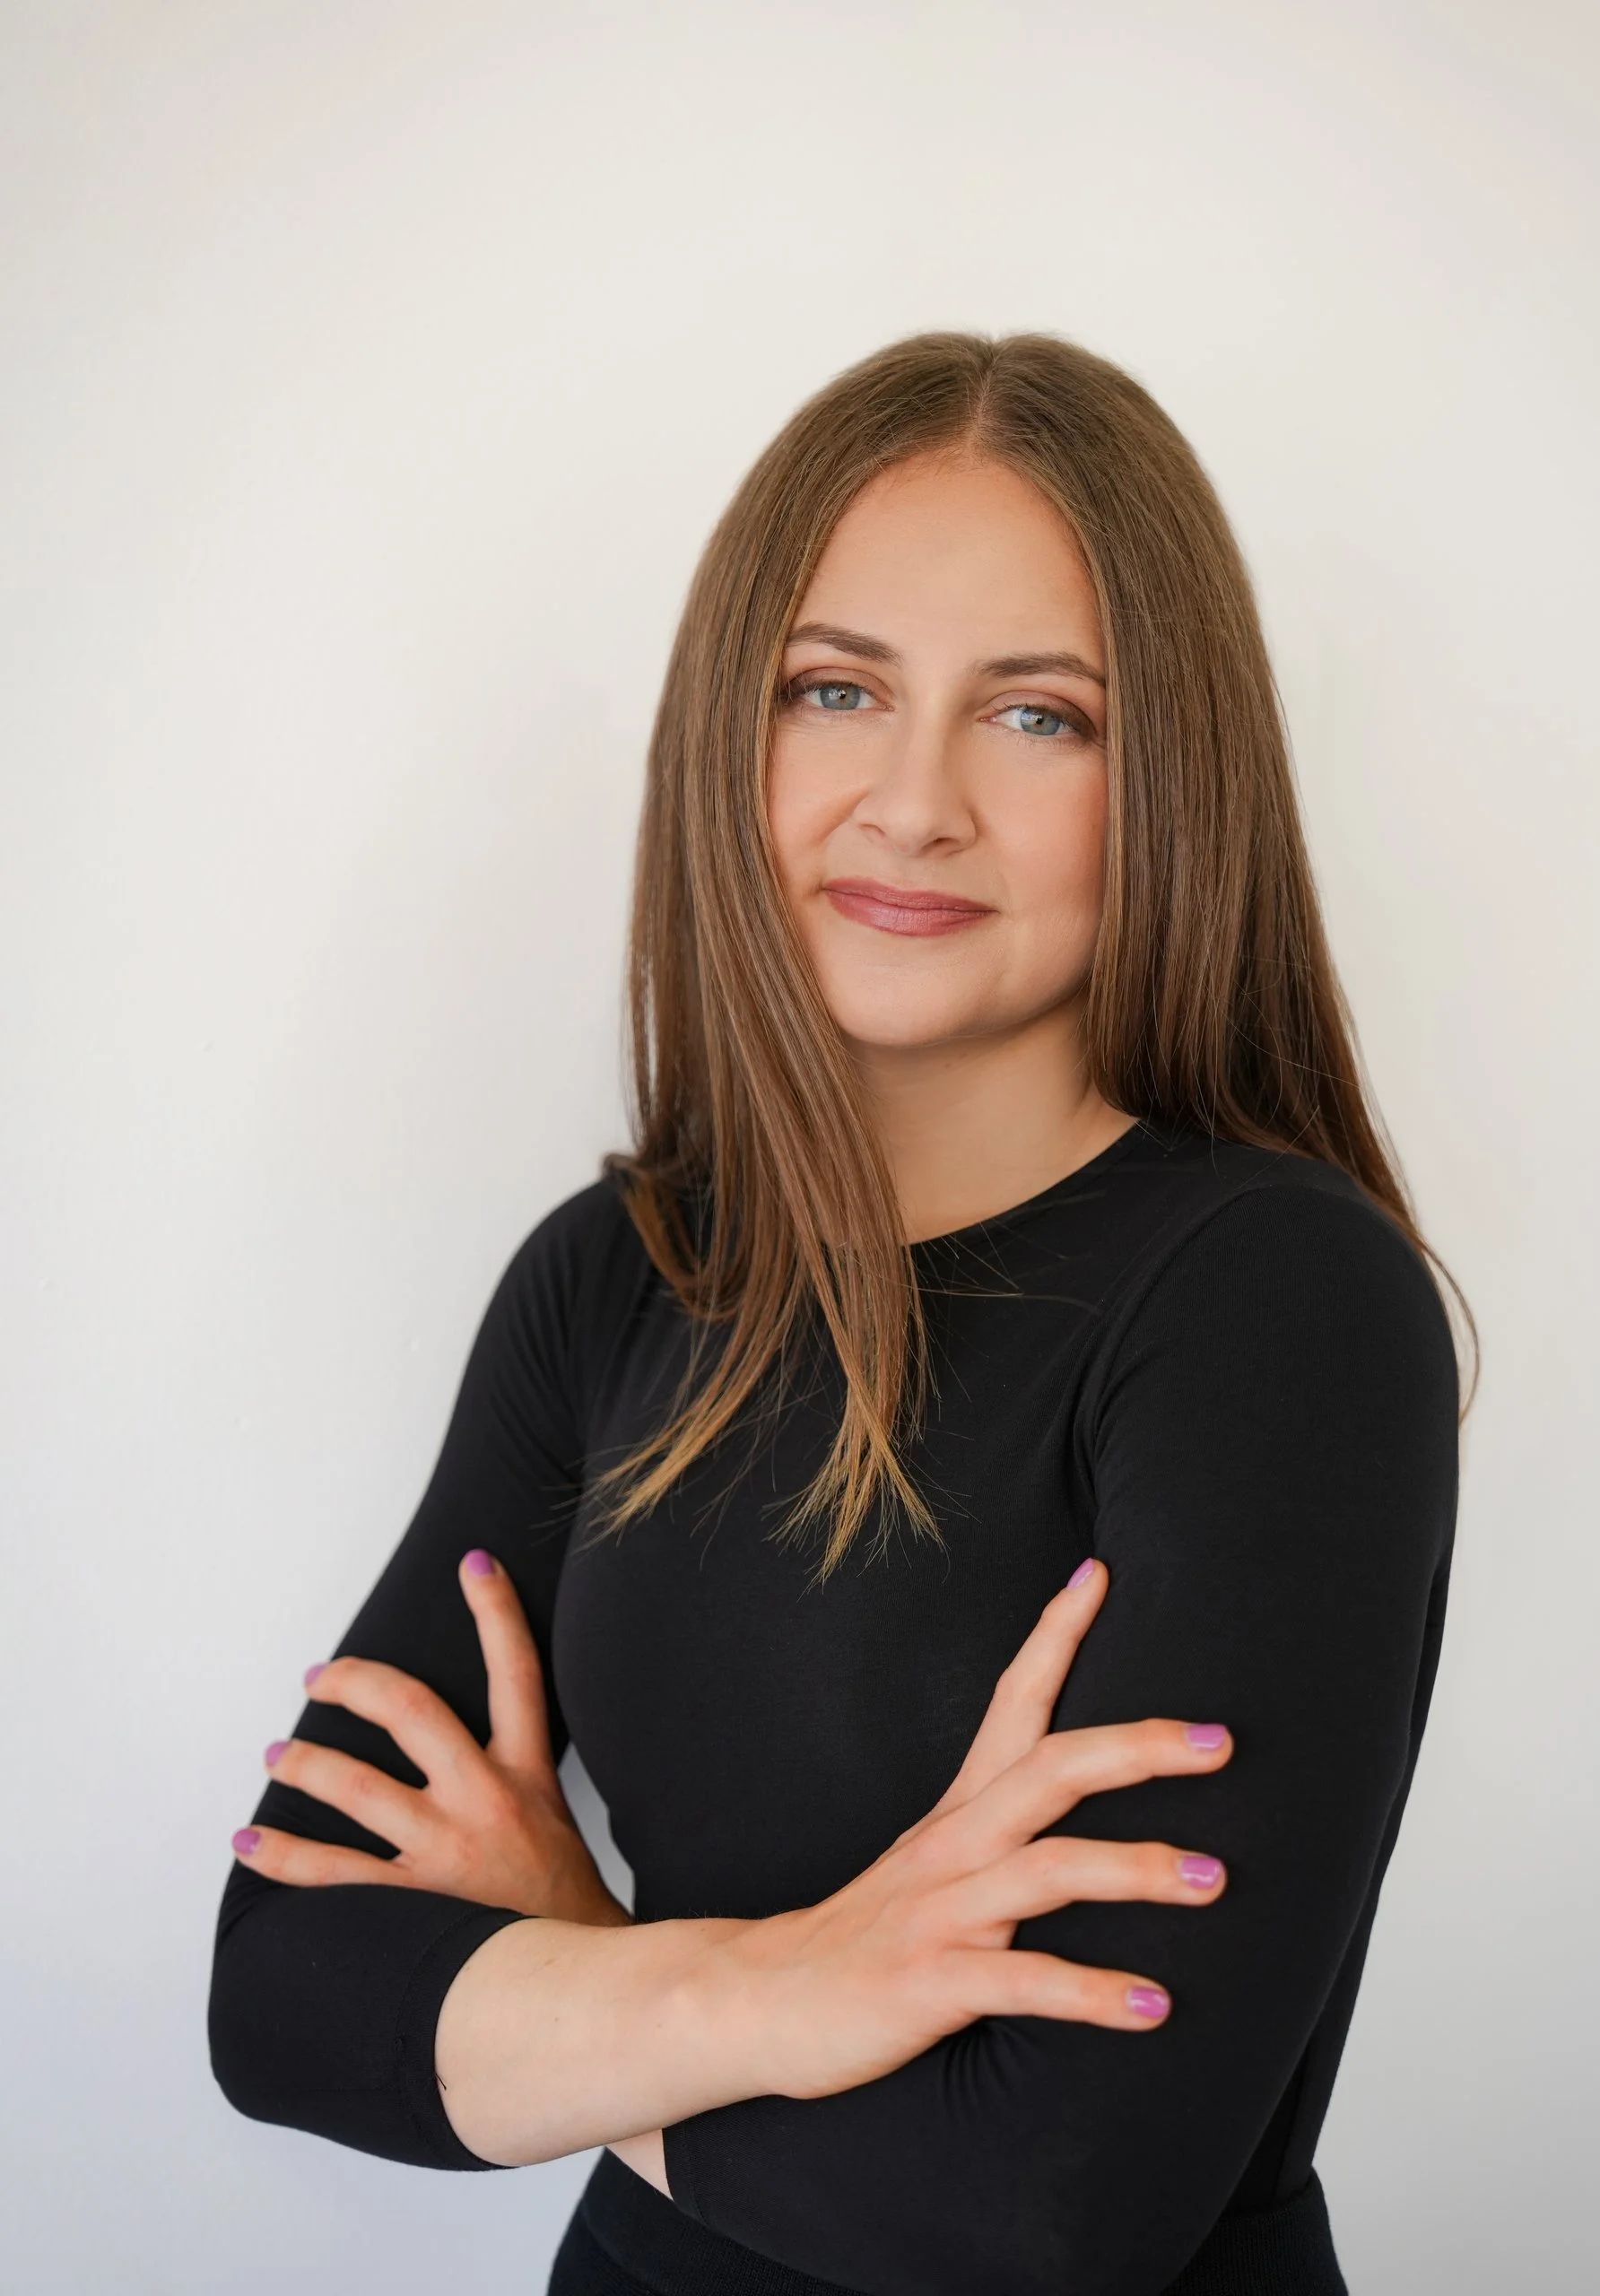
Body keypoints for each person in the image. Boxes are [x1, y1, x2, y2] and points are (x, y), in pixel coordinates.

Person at [208, 329, 1474, 2296]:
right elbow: (286, 1993)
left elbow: (1041, 2213)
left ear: (1172, 778)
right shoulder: (620, 1271)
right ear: (738, 730)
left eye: (1038, 715)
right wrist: (778, 1990)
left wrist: (588, 1980)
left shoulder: (1276, 1303)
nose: (913, 801)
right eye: (836, 689)